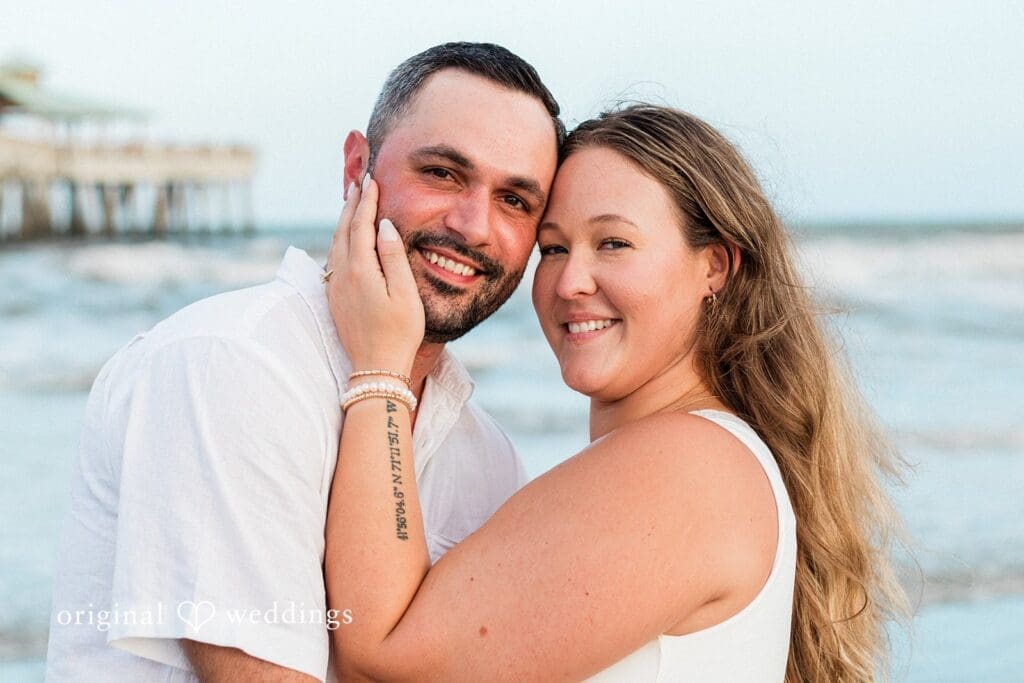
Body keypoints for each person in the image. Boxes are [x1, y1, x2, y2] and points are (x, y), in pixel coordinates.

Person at [322, 104, 908, 681]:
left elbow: (384, 663)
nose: (571, 282)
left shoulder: (686, 466)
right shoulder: (701, 459)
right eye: (553, 249)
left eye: (613, 244)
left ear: (715, 267)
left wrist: (380, 366)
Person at [45, 42, 561, 682]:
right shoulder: (231, 365)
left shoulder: (489, 458)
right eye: (443, 173)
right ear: (356, 169)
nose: (475, 225)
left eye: (515, 200)